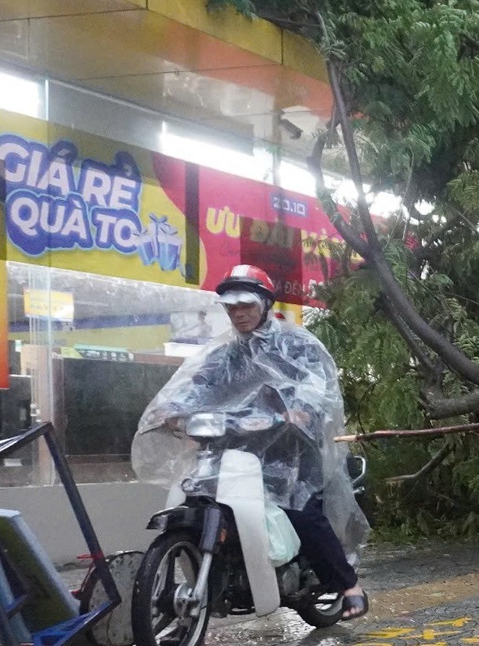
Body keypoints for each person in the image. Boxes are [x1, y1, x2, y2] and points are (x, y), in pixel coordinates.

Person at [132, 265, 370, 618]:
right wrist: (169, 411)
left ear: (264, 303)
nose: (239, 313)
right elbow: (197, 387)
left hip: (288, 451)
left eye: (246, 305)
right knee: (200, 498)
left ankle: (350, 586)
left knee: (301, 512)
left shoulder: (296, 343)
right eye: (232, 307)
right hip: (234, 447)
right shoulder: (224, 354)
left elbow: (316, 386)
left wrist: (299, 410)